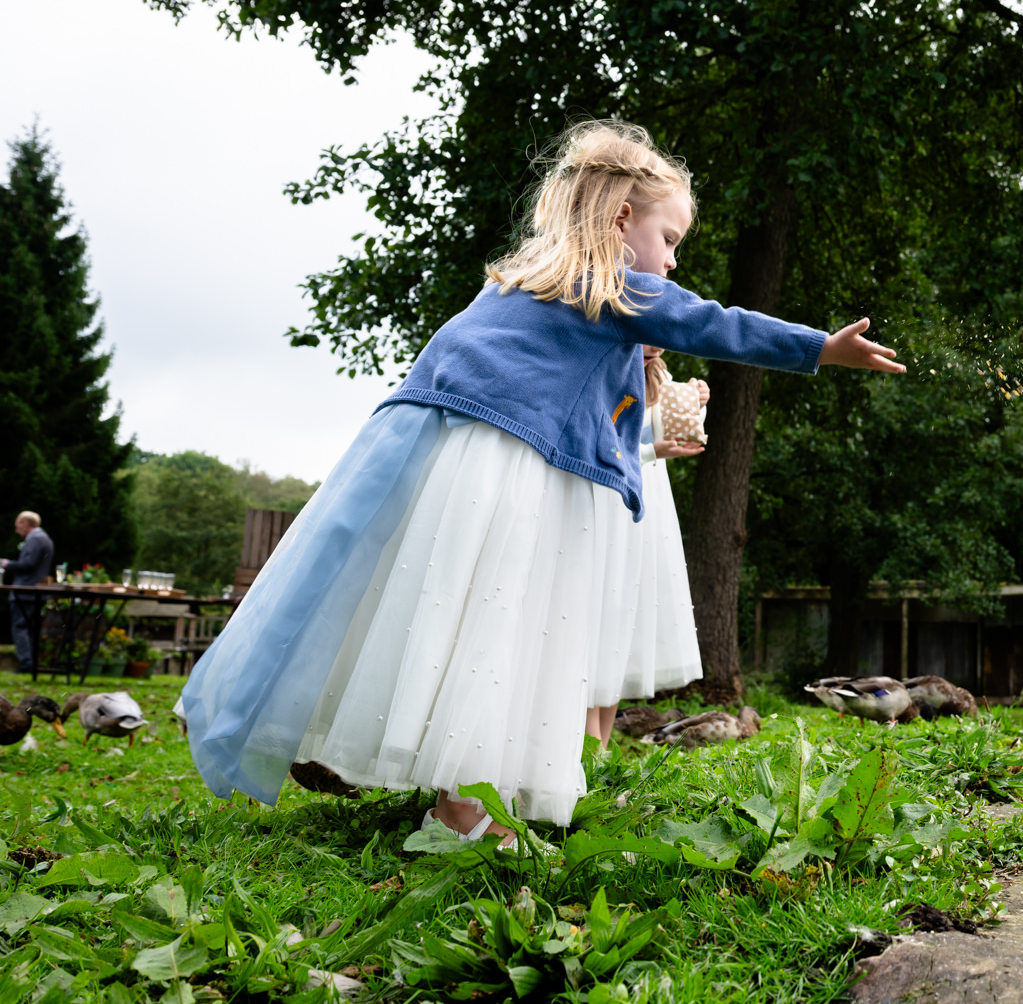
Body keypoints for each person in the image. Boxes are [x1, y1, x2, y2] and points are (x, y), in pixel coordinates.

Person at [177, 121, 903, 842]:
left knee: (463, 634)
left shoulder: (517, 283)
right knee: (511, 637)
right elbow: (711, 323)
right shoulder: (614, 285)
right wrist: (817, 347)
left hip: (456, 466)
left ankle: (457, 792)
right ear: (622, 218)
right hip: (523, 475)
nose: (674, 263)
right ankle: (463, 810)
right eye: (671, 238)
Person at [583, 348, 706, 745]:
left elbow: (680, 433)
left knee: (622, 615)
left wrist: (697, 403)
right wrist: (657, 452)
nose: (655, 349)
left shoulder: (660, 378)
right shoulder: (604, 368)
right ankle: (584, 745)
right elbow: (600, 447)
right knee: (598, 612)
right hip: (609, 494)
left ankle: (597, 751)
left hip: (650, 502)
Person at [4, 512, 53, 674]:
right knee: (29, 628)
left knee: (20, 627)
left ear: (25, 523)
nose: (16, 529)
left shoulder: (36, 539)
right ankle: (30, 662)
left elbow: (28, 564)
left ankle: (26, 663)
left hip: (25, 591)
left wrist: (7, 564)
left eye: (18, 525)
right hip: (33, 592)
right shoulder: (43, 538)